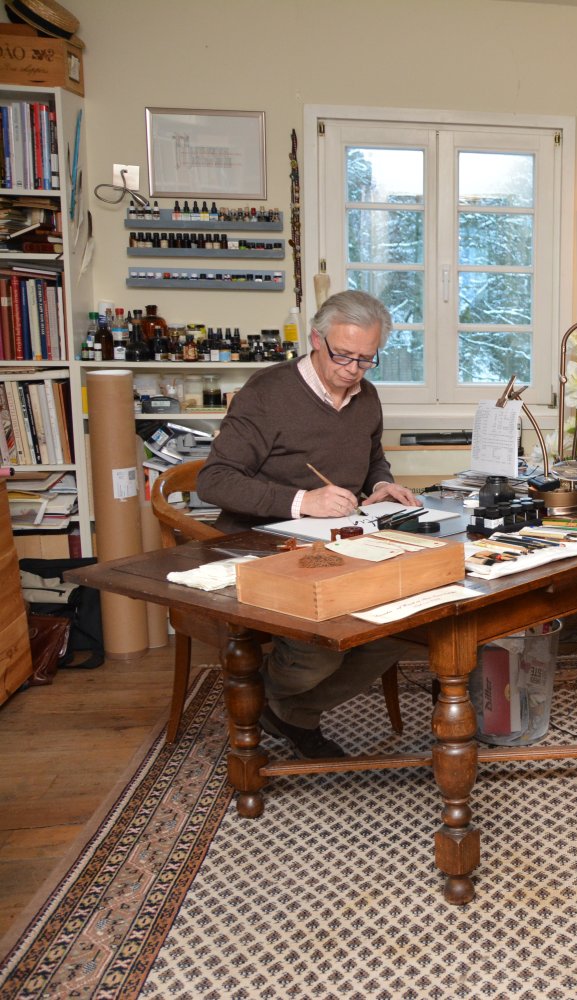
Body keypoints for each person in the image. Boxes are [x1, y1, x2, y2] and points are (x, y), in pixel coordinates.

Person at [198, 290, 422, 759]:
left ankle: (283, 708)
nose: (353, 370)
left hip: (336, 543)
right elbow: (214, 481)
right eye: (343, 355)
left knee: (402, 624)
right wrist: (303, 501)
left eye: (366, 359)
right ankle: (281, 703)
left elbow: (373, 458)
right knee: (324, 643)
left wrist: (381, 486)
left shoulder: (367, 396)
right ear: (316, 340)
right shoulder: (267, 393)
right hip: (261, 544)